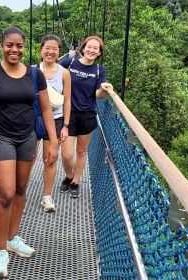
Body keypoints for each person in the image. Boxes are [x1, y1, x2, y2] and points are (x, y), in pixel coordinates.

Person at [0, 27, 58, 278]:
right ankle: (1, 251)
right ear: (2, 46)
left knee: (20, 190)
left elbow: (46, 110)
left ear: (24, 47)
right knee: (5, 193)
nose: (14, 50)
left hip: (27, 138)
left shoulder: (35, 74)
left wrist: (53, 141)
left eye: (19, 46)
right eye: (9, 45)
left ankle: (14, 238)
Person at [59, 35, 113, 198]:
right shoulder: (70, 63)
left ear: (99, 53)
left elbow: (98, 95)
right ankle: (68, 175)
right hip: (69, 114)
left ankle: (75, 181)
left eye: (95, 48)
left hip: (88, 115)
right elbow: (52, 72)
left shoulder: (99, 70)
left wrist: (103, 89)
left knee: (81, 151)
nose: (91, 50)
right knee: (67, 154)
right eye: (89, 47)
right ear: (83, 48)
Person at [37, 34, 71, 212]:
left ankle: (46, 197)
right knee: (28, 158)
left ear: (59, 52)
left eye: (54, 49)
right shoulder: (32, 70)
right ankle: (20, 195)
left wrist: (66, 126)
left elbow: (67, 101)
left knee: (50, 158)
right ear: (41, 50)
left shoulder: (64, 73)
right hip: (34, 118)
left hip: (56, 120)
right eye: (47, 48)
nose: (50, 51)